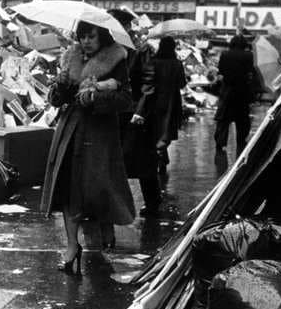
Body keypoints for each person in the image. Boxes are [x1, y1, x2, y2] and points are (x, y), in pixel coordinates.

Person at [40, 21, 135, 276]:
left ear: (101, 36)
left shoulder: (116, 60)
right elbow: (55, 100)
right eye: (82, 37)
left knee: (97, 188)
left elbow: (127, 99)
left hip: (98, 135)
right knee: (67, 189)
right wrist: (60, 86)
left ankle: (105, 224)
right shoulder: (70, 58)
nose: (85, 41)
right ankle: (72, 247)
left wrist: (96, 97)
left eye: (91, 36)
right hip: (69, 131)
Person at [120, 27, 162, 216]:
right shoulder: (111, 52)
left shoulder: (142, 51)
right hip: (118, 113)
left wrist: (141, 111)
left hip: (136, 116)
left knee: (143, 163)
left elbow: (149, 81)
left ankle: (152, 203)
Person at [150, 36, 187, 182]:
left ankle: (160, 157)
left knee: (156, 131)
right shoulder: (177, 64)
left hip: (154, 101)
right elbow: (182, 84)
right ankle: (162, 157)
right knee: (167, 130)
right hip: (172, 102)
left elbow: (147, 82)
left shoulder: (153, 62)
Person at [214, 34, 256, 155]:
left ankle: (221, 145)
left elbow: (221, 71)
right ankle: (241, 144)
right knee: (242, 120)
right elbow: (250, 72)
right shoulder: (249, 55)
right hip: (242, 93)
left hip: (227, 92)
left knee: (224, 119)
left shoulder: (225, 54)